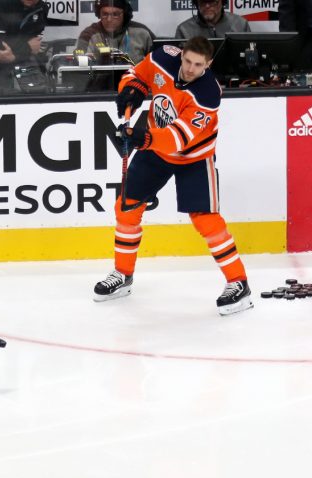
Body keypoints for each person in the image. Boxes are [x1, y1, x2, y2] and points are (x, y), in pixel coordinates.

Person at [93, 37, 252, 316]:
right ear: (181, 55)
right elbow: (136, 74)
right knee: (127, 208)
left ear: (209, 64)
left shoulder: (207, 93)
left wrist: (141, 138)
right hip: (155, 150)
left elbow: (178, 139)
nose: (190, 69)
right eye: (188, 61)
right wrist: (131, 89)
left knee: (206, 219)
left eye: (198, 65)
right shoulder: (163, 57)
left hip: (193, 157)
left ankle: (239, 284)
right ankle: (123, 275)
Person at [76, 0, 154, 66]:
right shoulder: (89, 34)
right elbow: (78, 62)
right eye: (105, 14)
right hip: (100, 83)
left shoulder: (142, 32)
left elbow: (159, 64)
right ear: (99, 14)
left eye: (115, 14)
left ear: (125, 14)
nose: (109, 19)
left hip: (134, 83)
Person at [175, 0, 250, 39]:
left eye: (213, 2)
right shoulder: (184, 30)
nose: (207, 6)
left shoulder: (240, 24)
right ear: (196, 3)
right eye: (202, 2)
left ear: (223, 2)